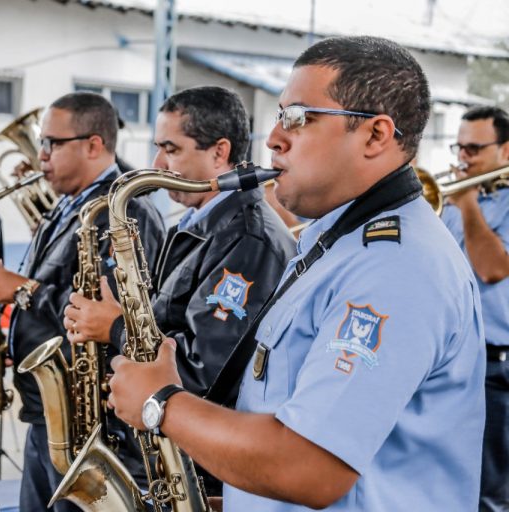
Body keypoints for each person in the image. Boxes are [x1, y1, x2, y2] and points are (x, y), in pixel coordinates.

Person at [106, 35, 486, 511]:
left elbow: (309, 467)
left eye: (297, 118)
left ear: (376, 135)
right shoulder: (336, 242)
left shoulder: (394, 268)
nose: (273, 138)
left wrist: (161, 403)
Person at [62, 86, 296, 494]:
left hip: (191, 475)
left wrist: (115, 328)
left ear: (219, 153)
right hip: (160, 454)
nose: (156, 164)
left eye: (170, 149)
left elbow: (202, 374)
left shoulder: (248, 240)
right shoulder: (196, 224)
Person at [0, 91, 165, 511]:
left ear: (94, 145)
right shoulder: (66, 204)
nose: (40, 156)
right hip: (47, 411)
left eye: (51, 144)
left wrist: (22, 289)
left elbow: (116, 315)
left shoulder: (124, 213)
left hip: (87, 419)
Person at [442, 106, 509, 512]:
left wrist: (467, 205)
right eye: (459, 146)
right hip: (456, 360)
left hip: (496, 368)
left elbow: (491, 269)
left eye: (474, 148)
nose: (463, 157)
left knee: (489, 494)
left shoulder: (470, 201)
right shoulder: (454, 198)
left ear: (505, 150)